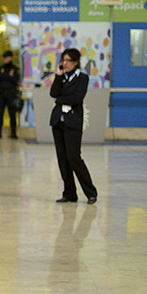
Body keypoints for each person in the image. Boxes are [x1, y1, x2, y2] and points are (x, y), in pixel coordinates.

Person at [49, 48, 97, 204]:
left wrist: (60, 99)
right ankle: (69, 194)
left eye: (68, 60)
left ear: (76, 62)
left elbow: (77, 98)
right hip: (58, 122)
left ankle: (90, 192)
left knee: (73, 157)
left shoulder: (82, 78)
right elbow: (53, 93)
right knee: (62, 159)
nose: (65, 63)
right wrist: (58, 76)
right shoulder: (62, 77)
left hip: (73, 122)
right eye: (63, 60)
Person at [0, 50, 21, 139]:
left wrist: (7, 76)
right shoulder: (0, 68)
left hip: (11, 94)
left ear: (10, 58)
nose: (4, 59)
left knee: (12, 114)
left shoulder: (15, 69)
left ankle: (13, 133)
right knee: (0, 114)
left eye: (6, 57)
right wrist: (9, 75)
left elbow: (15, 80)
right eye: (4, 57)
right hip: (1, 94)